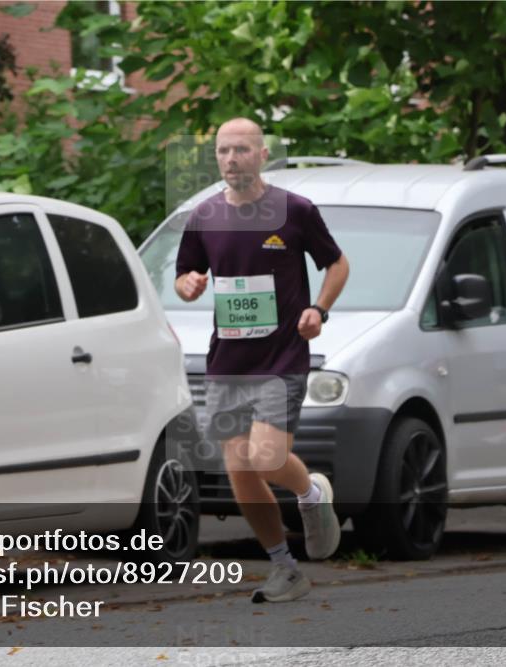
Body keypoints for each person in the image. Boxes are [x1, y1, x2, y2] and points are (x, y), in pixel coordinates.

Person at [174, 117, 350, 602]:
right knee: (240, 469)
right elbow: (186, 270)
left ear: (262, 154)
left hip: (282, 356)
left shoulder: (294, 211)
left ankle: (311, 494)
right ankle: (284, 568)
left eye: (241, 150)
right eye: (223, 151)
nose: (231, 160)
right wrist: (186, 284)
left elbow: (337, 262)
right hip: (228, 361)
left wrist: (319, 309)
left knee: (268, 459)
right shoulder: (204, 216)